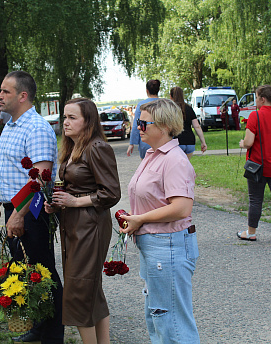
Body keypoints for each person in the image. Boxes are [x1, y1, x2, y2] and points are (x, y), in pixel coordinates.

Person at [0, 71, 64, 343]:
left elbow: (40, 180)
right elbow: (7, 171)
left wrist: (19, 216)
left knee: (43, 272)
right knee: (24, 270)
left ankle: (53, 334)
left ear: (23, 96)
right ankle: (39, 327)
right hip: (13, 210)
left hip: (32, 211)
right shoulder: (10, 125)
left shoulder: (37, 128)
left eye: (5, 91)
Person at [120, 98, 200, 344]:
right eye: (138, 123)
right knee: (158, 315)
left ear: (164, 126)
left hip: (168, 246)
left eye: (144, 124)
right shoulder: (154, 155)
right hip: (156, 246)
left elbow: (181, 208)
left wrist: (140, 219)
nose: (138, 128)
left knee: (171, 321)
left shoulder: (174, 159)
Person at [45, 98, 121, 344]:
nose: (65, 122)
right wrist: (57, 203)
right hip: (73, 225)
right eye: (64, 117)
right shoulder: (73, 147)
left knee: (78, 292)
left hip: (91, 226)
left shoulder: (97, 147)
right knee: (90, 289)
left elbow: (111, 193)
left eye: (72, 118)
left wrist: (75, 201)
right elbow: (73, 188)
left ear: (88, 121)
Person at [237, 85, 271, 241]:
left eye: (256, 97)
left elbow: (249, 142)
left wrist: (242, 143)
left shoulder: (255, 116)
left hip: (258, 166)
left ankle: (251, 233)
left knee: (256, 199)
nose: (255, 100)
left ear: (262, 99)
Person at [170, 86, 207, 159]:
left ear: (171, 96)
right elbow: (197, 127)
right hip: (190, 142)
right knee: (185, 165)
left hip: (176, 141)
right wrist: (203, 142)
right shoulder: (189, 108)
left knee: (177, 167)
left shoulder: (170, 109)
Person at [127, 79, 160, 159]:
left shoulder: (142, 105)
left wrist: (132, 143)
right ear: (158, 90)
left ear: (147, 90)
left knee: (145, 168)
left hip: (146, 142)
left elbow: (136, 125)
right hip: (162, 141)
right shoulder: (165, 103)